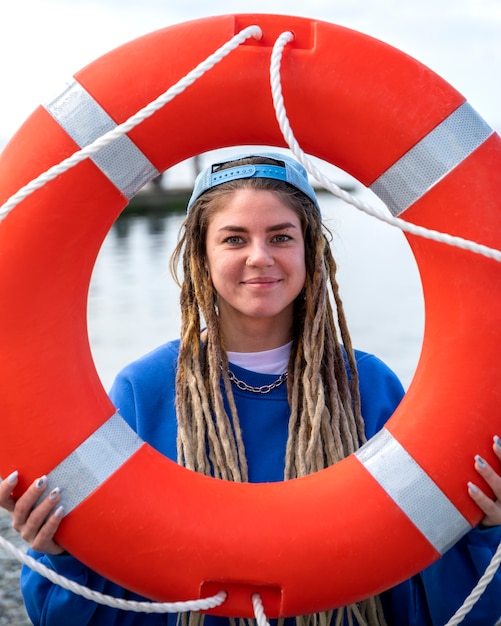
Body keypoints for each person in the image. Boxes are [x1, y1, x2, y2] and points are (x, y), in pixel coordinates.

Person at [1, 152, 500, 626]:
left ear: (312, 251)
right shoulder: (145, 391)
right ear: (202, 253)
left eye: (281, 237)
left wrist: (484, 531)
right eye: (234, 239)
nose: (259, 257)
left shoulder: (368, 389)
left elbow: (436, 608)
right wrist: (59, 552)